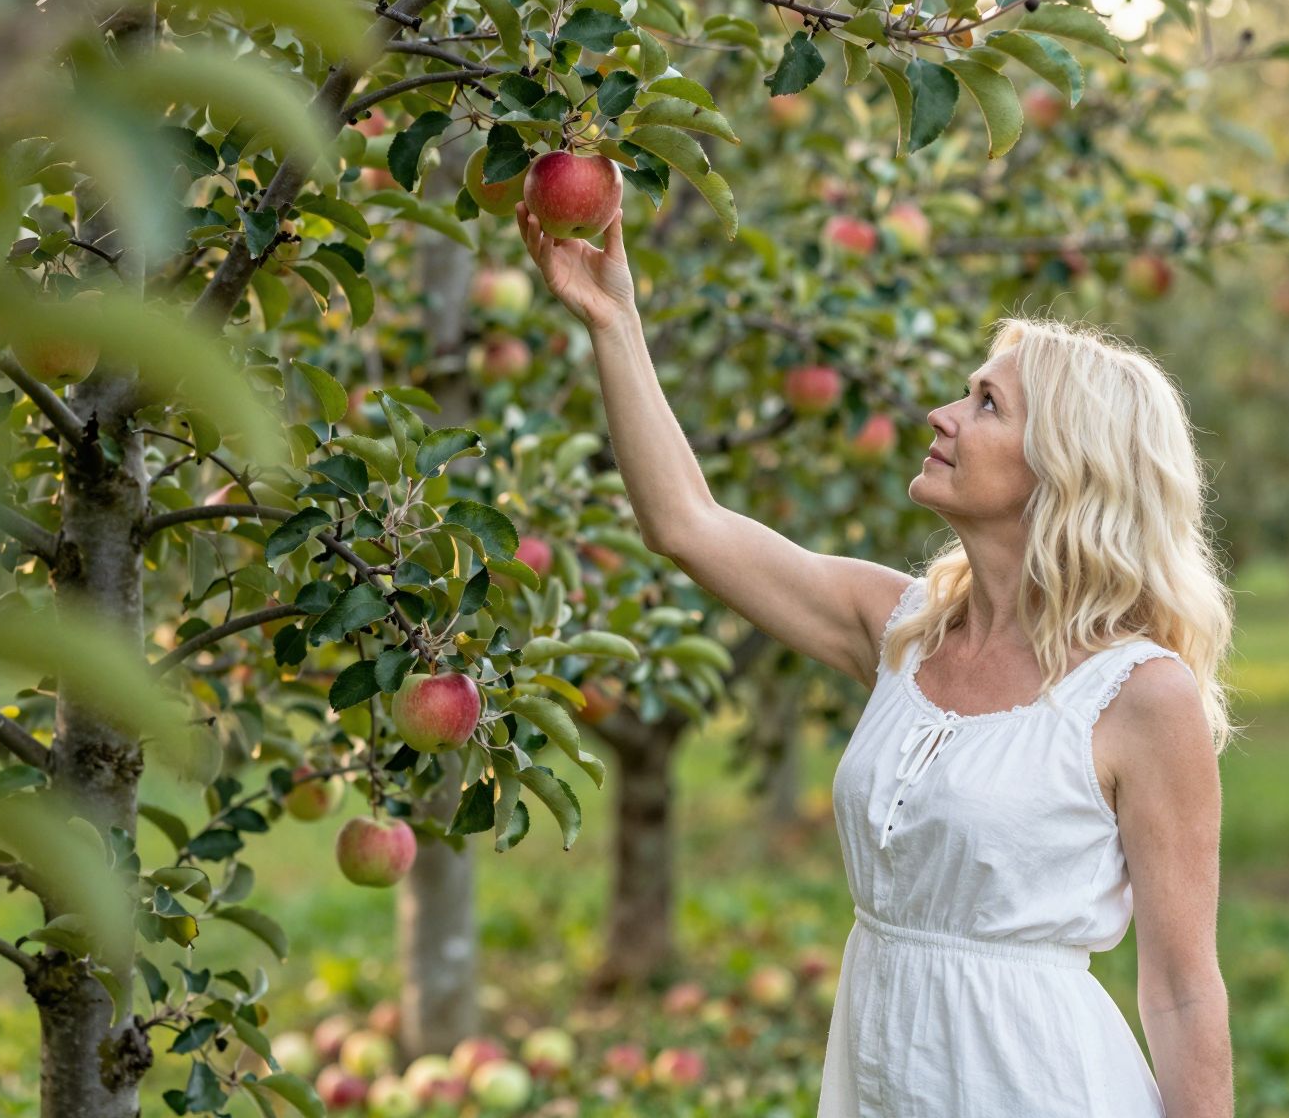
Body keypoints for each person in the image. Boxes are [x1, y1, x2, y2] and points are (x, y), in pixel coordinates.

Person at [516, 202, 1238, 1118]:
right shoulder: (901, 628)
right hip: (884, 1073)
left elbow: (1181, 991)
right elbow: (685, 523)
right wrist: (614, 321)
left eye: (986, 404)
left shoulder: (1139, 696)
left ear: (1066, 466)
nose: (941, 413)